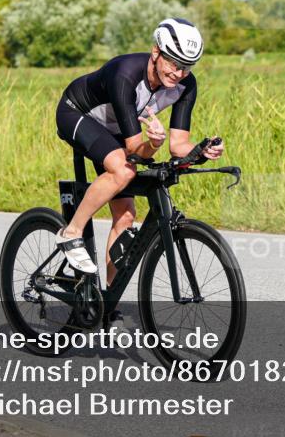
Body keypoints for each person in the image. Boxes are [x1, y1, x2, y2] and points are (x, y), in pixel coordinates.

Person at [53, 17, 224, 284]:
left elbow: (179, 146)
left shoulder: (186, 86)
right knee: (123, 170)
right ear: (156, 51)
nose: (178, 73)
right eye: (173, 63)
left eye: (187, 67)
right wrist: (153, 144)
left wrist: (202, 151)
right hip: (77, 113)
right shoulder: (125, 74)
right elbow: (135, 151)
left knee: (125, 217)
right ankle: (71, 232)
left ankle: (108, 306)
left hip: (115, 127)